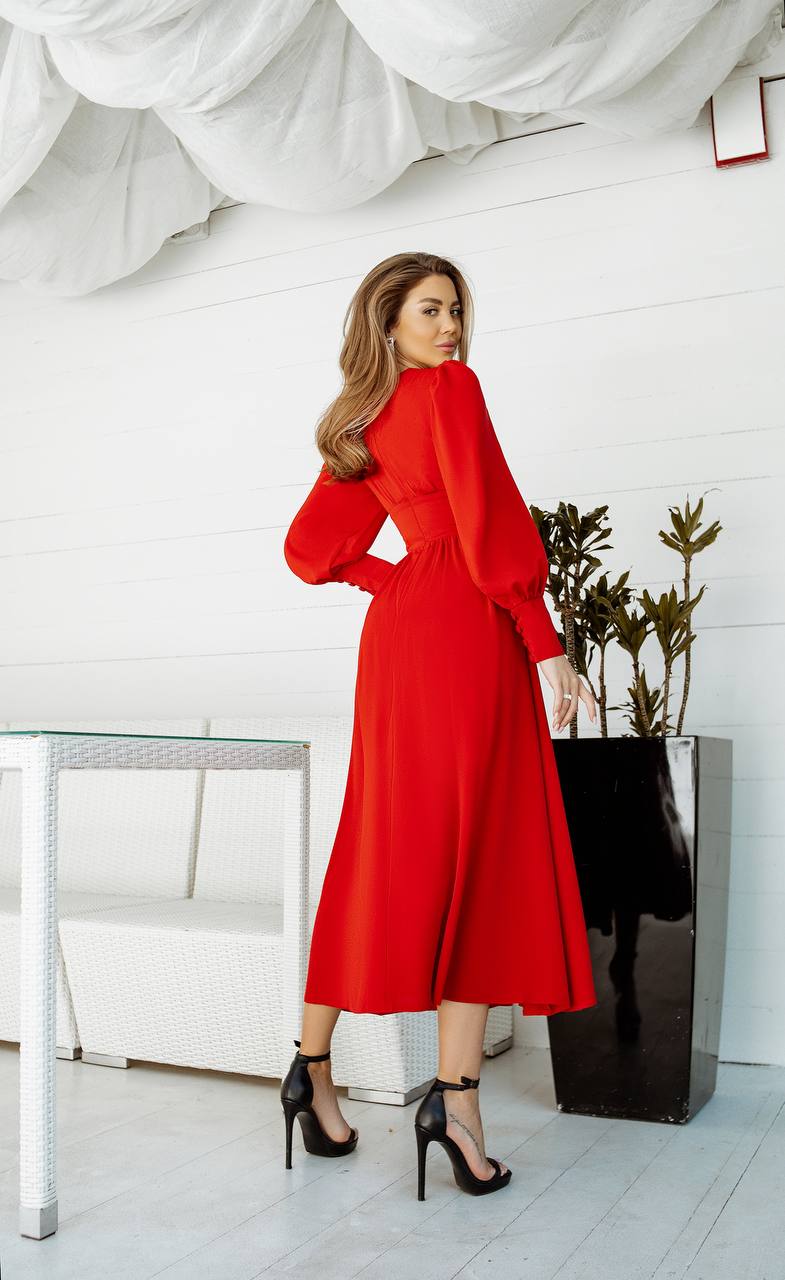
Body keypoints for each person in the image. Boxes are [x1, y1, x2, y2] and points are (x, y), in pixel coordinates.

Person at [280, 251, 598, 1198]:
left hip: (399, 642)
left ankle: (310, 1069)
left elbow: (309, 549)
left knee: (385, 849)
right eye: (429, 309)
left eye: (455, 309)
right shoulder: (449, 392)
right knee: (478, 854)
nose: (450, 326)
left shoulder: (359, 422)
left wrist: (393, 576)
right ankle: (453, 1106)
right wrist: (544, 643)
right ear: (388, 322)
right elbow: (492, 524)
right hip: (466, 635)